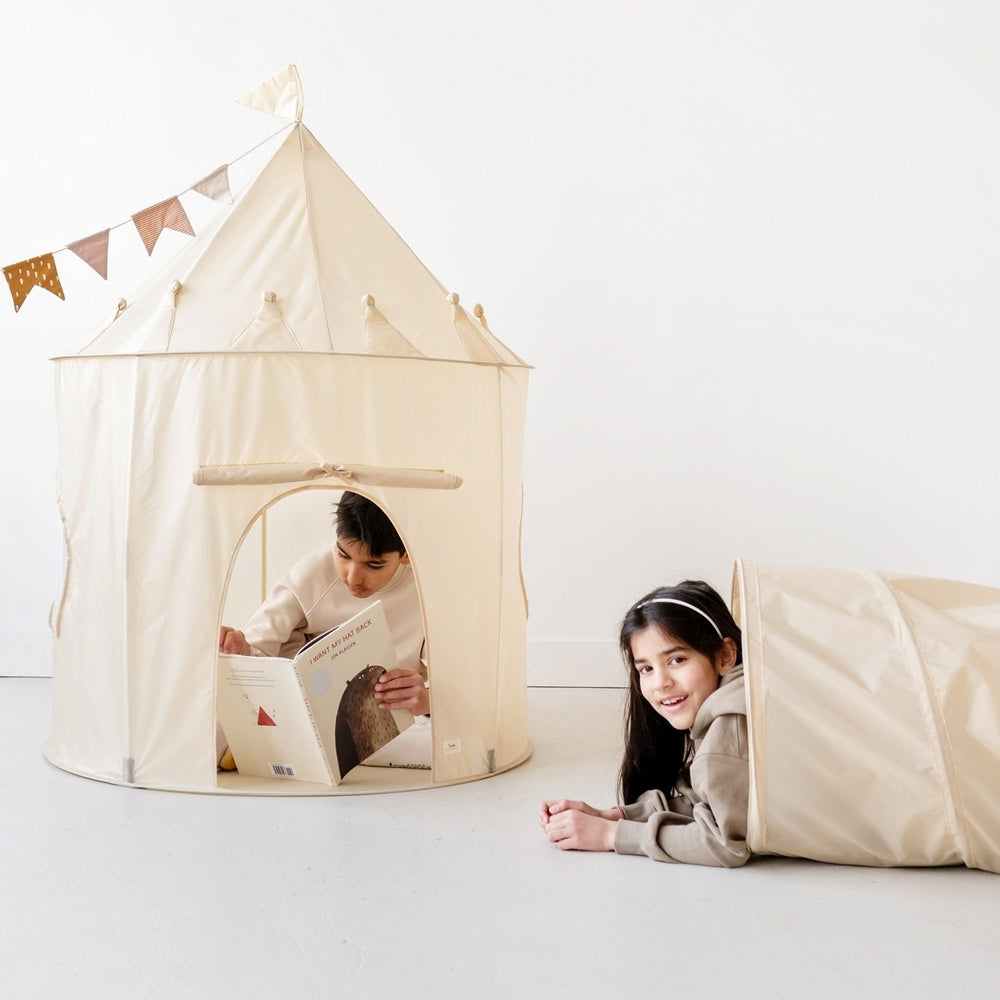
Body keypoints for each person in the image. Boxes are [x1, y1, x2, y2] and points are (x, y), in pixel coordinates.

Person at [539, 580, 750, 867]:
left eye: (677, 659)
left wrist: (609, 835)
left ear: (724, 655)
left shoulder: (728, 731)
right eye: (646, 668)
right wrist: (614, 815)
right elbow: (711, 801)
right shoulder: (734, 701)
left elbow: (724, 843)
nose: (661, 682)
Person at [219, 491, 430, 717]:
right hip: (298, 715)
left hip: (398, 726)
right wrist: (241, 650)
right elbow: (256, 652)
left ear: (406, 554)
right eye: (343, 555)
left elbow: (458, 686)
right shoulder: (311, 577)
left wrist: (427, 701)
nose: (352, 577)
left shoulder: (429, 595)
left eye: (373, 565)